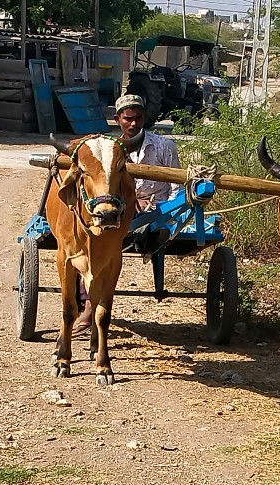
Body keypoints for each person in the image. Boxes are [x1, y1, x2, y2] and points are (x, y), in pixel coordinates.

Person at [74, 94, 181, 335]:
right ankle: (89, 304)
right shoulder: (105, 150)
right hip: (116, 211)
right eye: (128, 119)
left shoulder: (165, 146)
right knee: (89, 248)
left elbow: (177, 188)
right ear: (118, 120)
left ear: (145, 118)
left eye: (139, 118)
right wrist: (130, 202)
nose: (133, 124)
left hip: (155, 212)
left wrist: (160, 208)